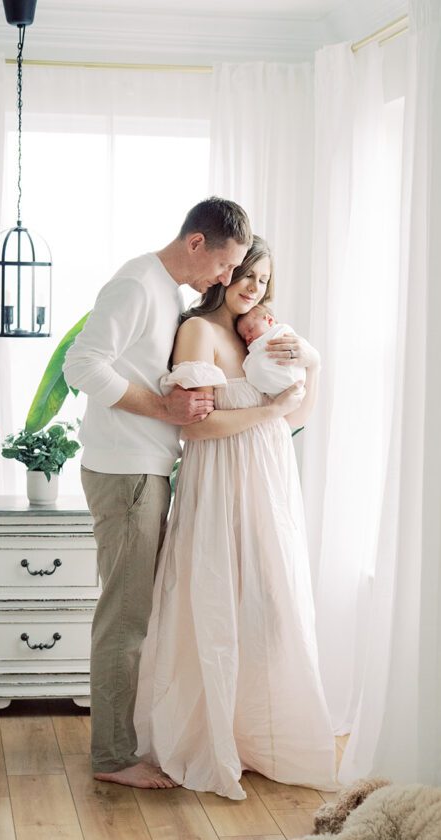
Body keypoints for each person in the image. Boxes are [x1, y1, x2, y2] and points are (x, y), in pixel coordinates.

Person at [134, 236, 336, 800]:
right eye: (248, 274)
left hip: (268, 476)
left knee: (270, 600)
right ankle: (210, 734)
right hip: (221, 477)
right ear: (224, 271)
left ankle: (255, 732)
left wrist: (309, 369)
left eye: (264, 280)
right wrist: (269, 409)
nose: (255, 287)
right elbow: (195, 428)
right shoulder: (199, 331)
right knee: (217, 600)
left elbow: (297, 415)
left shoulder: (262, 334)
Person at [63, 197, 253, 790]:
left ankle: (121, 745)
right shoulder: (137, 285)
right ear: (197, 243)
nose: (226, 279)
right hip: (126, 474)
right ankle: (113, 758)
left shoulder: (164, 290)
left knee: (133, 615)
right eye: (224, 265)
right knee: (124, 618)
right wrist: (165, 407)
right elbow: (81, 366)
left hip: (141, 468)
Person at [235, 302, 306, 395]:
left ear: (269, 320)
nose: (248, 337)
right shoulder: (254, 349)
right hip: (275, 391)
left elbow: (300, 349)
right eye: (244, 337)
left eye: (250, 329)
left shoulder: (281, 331)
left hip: (293, 377)